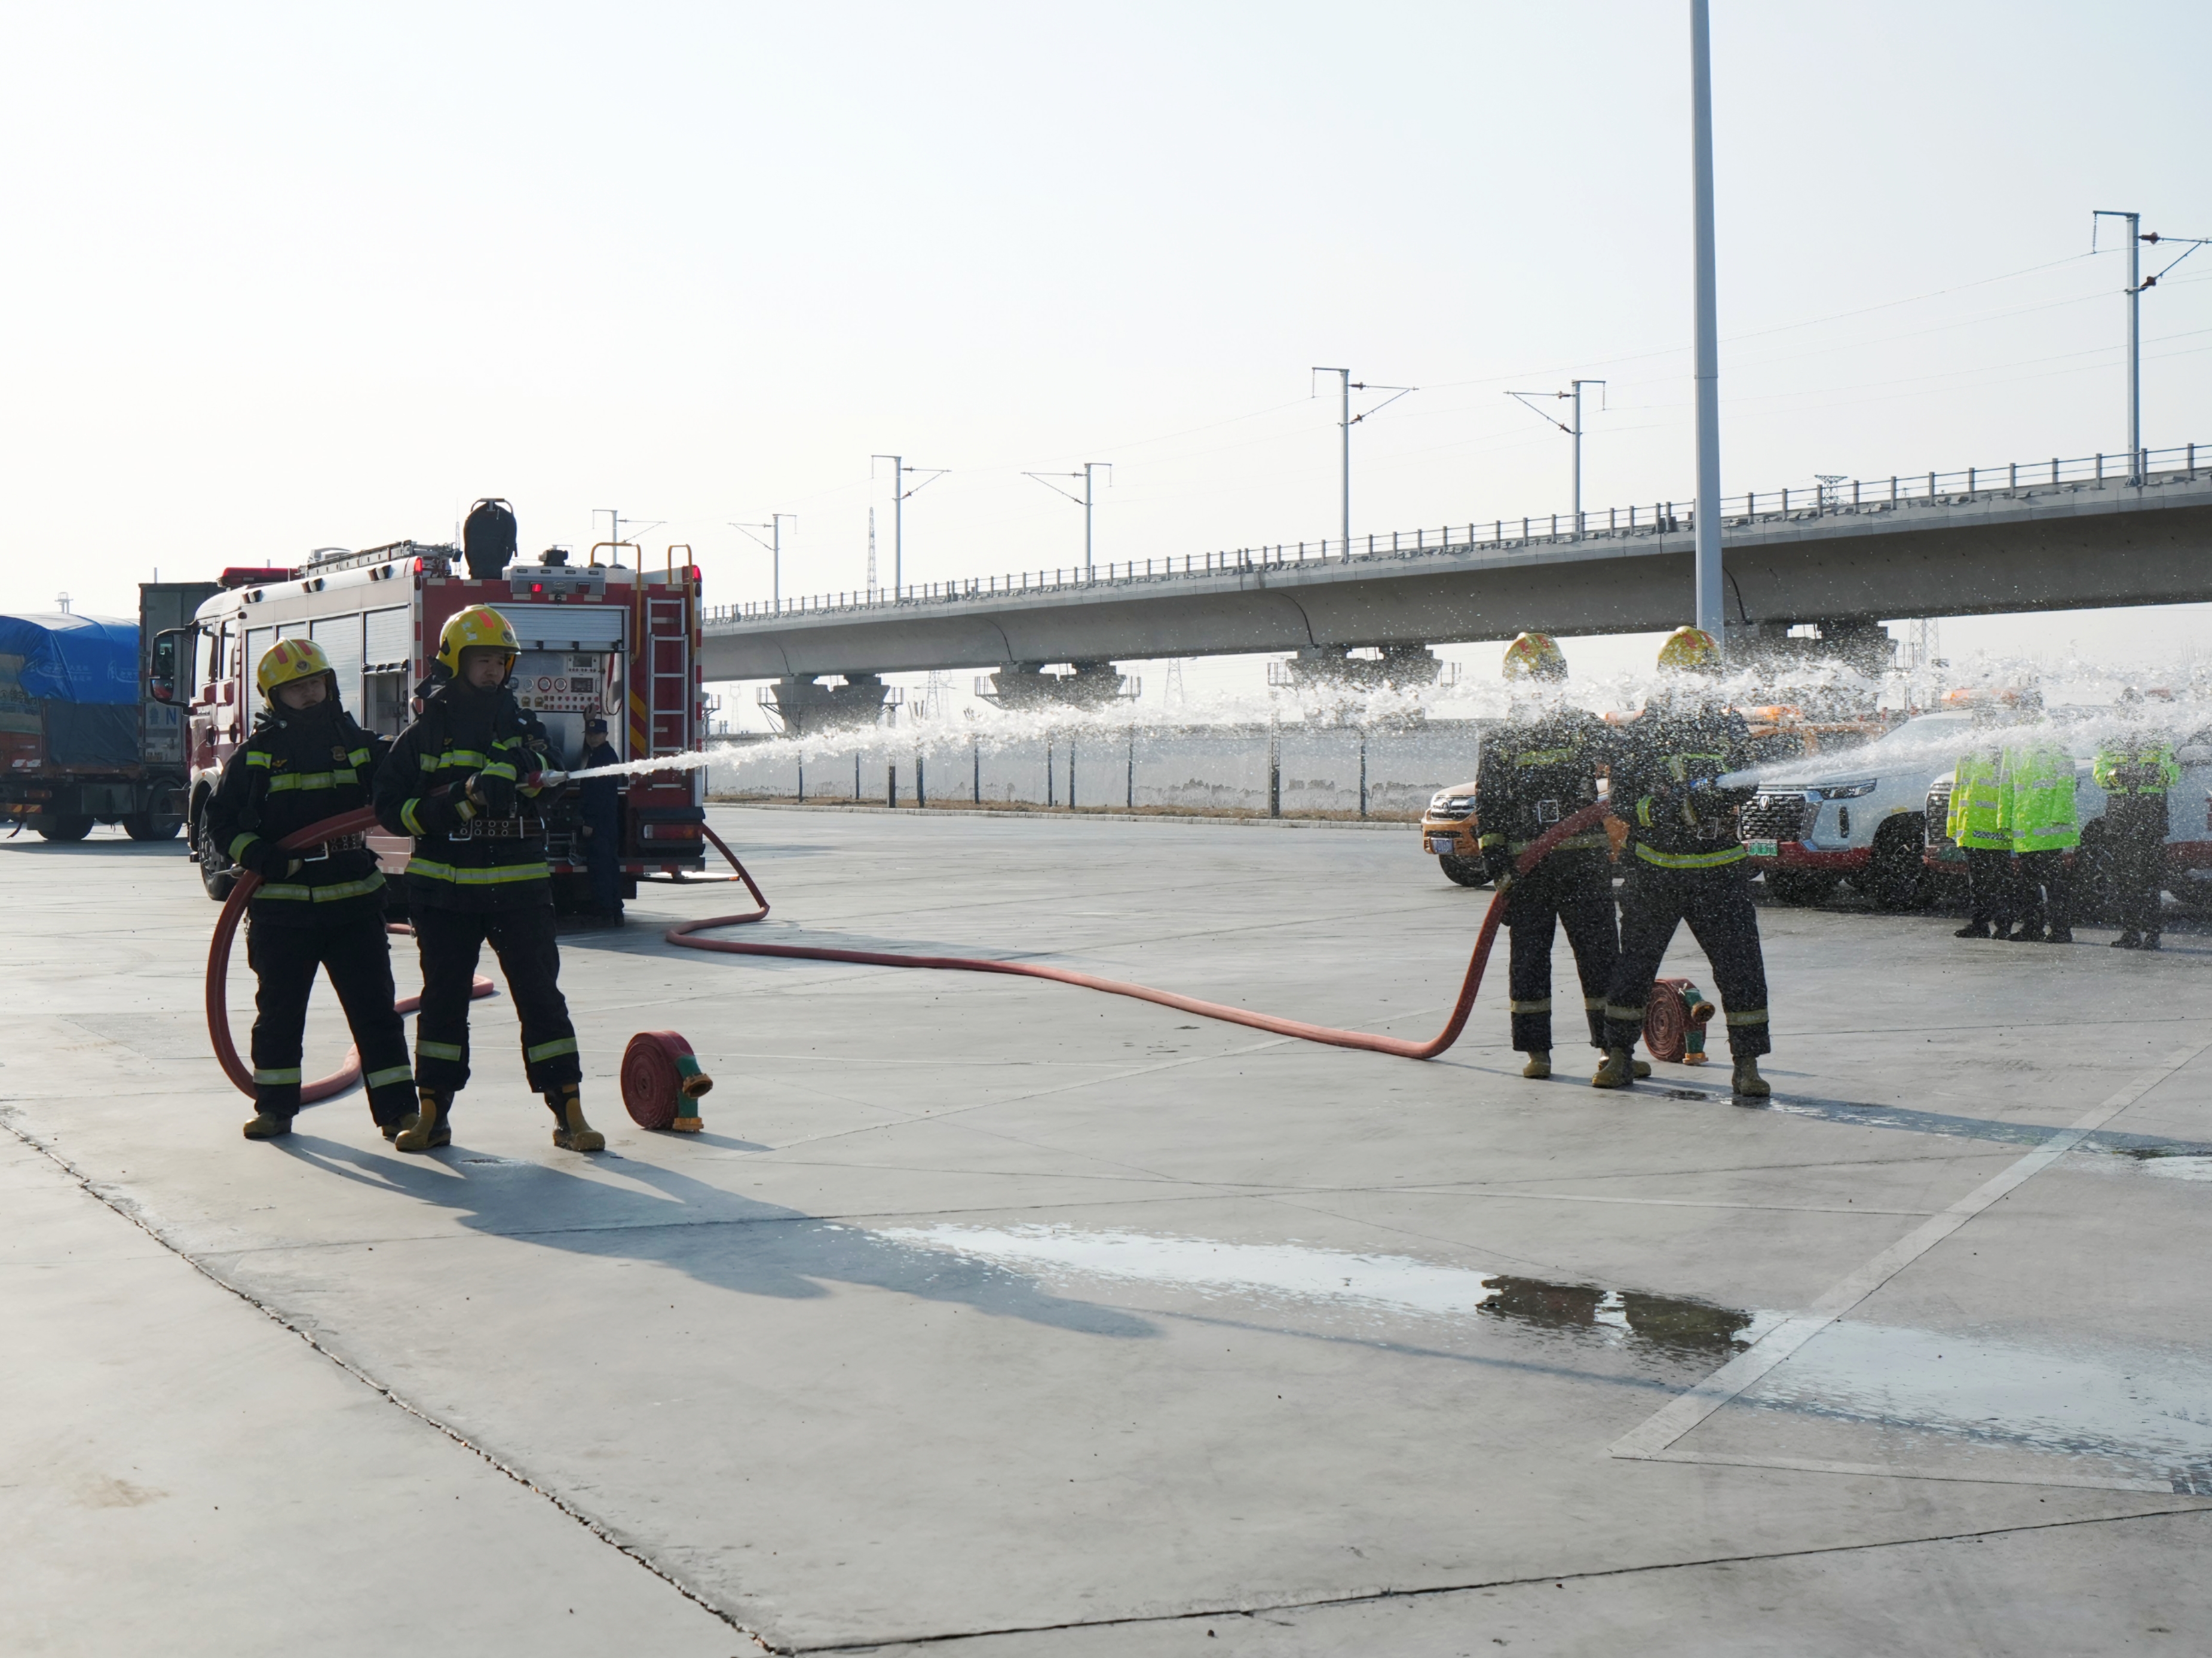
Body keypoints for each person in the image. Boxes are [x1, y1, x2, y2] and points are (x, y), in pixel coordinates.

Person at [373, 605, 605, 1155]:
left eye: (501, 661)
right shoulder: (424, 735)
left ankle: (569, 1110)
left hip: (520, 892)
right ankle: (433, 1112)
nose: (493, 670)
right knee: (443, 1003)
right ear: (455, 661)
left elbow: (554, 779)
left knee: (542, 998)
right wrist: (464, 798)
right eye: (482, 659)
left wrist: (525, 769)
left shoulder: (526, 729)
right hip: (445, 894)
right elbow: (390, 809)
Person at [206, 639, 415, 1141]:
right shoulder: (256, 756)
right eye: (296, 687)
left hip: (353, 904)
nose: (309, 693)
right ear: (274, 696)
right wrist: (259, 855)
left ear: (329, 684)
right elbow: (221, 823)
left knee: (376, 1014)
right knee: (279, 1016)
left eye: (315, 682)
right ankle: (275, 1109)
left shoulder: (359, 744)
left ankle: (399, 1113)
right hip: (283, 910)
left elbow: (403, 780)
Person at [1595, 626, 1772, 1098]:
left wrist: (1710, 798)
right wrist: (1667, 811)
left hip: (1719, 867)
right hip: (1656, 869)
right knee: (1634, 967)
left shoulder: (1729, 727)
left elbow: (1749, 781)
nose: (1699, 683)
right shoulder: (1642, 732)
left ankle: (1747, 1065)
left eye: (1705, 674)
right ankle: (1619, 1055)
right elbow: (1623, 801)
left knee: (1741, 968)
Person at [1475, 632, 1637, 1082]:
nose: (1540, 686)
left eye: (1547, 677)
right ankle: (1537, 1052)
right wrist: (1498, 869)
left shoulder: (1581, 726)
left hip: (1584, 867)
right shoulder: (1501, 738)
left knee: (1600, 957)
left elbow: (1629, 758)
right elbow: (1491, 808)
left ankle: (1612, 1049)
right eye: (1531, 679)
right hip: (1529, 872)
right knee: (1529, 960)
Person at [2093, 688, 2180, 949]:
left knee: (2149, 877)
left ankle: (2153, 934)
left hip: (2150, 812)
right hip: (2120, 814)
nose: (2129, 714)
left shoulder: (2158, 738)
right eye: (2125, 709)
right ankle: (2131, 932)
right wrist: (2115, 775)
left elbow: (2174, 773)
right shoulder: (2110, 739)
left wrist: (2158, 774)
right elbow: (2099, 773)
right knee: (2122, 877)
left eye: (2133, 709)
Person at [1997, 715, 2078, 944]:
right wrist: (2004, 819)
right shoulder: (2014, 746)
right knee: (2027, 883)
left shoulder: (2055, 742)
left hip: (2048, 829)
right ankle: (2033, 927)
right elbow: (2007, 784)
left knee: (2053, 883)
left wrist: (2059, 817)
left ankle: (2061, 930)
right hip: (2025, 828)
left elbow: (2066, 781)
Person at [1947, 697, 2015, 939]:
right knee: (1978, 882)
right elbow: (1958, 789)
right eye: (1977, 720)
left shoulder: (2001, 750)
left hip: (1994, 829)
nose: (1980, 725)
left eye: (1985, 719)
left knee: (1998, 881)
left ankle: (2003, 925)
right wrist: (1954, 826)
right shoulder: (1969, 751)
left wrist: (2005, 823)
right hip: (1971, 829)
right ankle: (1980, 924)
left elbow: (2008, 788)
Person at [576, 714, 624, 923]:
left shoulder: (603, 757)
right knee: (608, 865)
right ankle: (614, 911)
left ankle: (607, 911)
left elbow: (599, 794)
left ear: (606, 734)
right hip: (606, 821)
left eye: (597, 734)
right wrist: (588, 718)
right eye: (589, 734)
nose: (592, 737)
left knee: (602, 867)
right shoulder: (601, 754)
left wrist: (590, 821)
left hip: (601, 823)